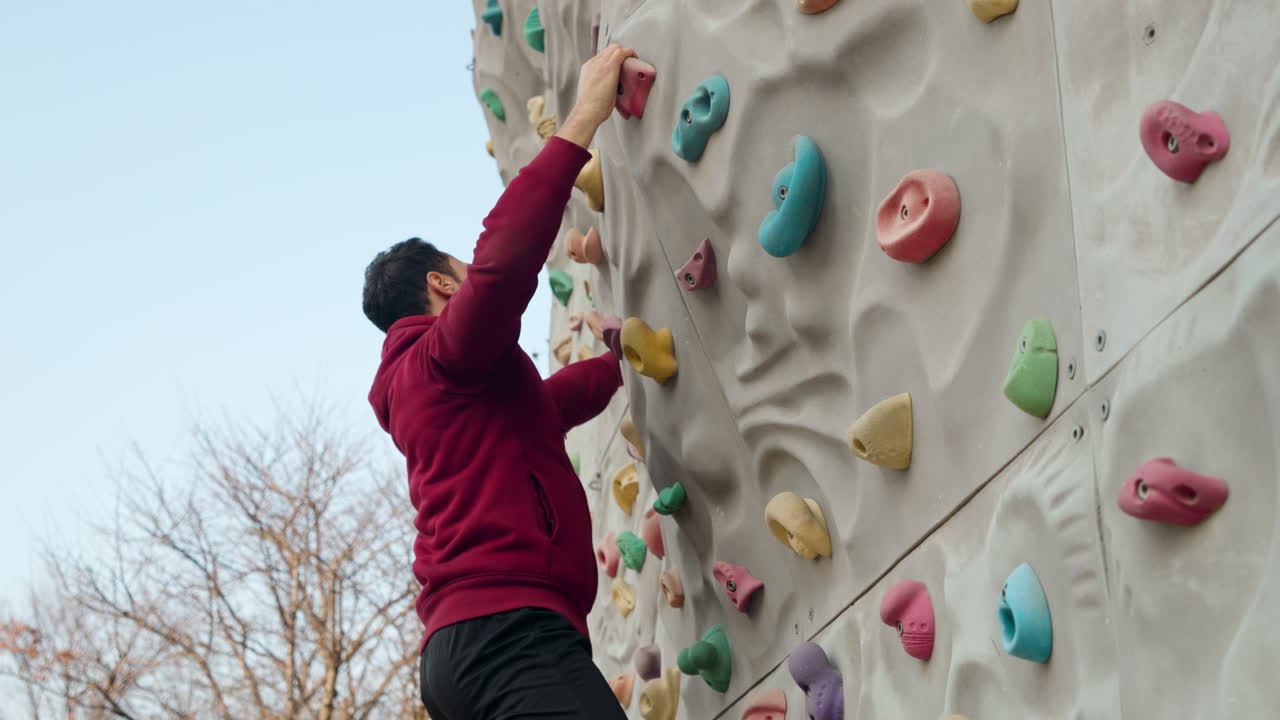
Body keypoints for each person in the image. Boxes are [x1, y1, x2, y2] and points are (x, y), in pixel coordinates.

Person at [362, 45, 638, 719]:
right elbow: (504, 265)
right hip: (509, 633)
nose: (470, 278)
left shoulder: (432, 386)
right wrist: (583, 119)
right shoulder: (443, 358)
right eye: (460, 271)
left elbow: (541, 409)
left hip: (460, 655)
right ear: (440, 284)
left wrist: (618, 364)